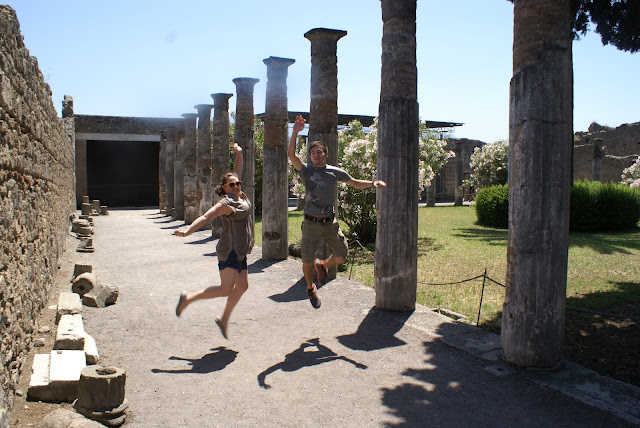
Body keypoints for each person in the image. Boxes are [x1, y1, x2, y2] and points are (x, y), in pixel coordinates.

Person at [288, 115, 386, 309]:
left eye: (319, 152)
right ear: (310, 156)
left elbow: (355, 182)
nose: (316, 155)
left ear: (326, 154)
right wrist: (295, 132)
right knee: (306, 262)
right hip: (310, 224)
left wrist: (373, 184)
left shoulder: (335, 172)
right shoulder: (307, 171)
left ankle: (323, 265)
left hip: (330, 223)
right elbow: (291, 156)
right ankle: (310, 289)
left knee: (341, 256)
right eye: (313, 152)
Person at [173, 143, 253, 339]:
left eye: (238, 183)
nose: (236, 186)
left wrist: (239, 154)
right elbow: (206, 217)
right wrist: (187, 232)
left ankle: (224, 319)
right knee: (226, 289)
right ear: (224, 188)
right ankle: (188, 299)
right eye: (231, 185)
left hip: (241, 250)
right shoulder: (226, 203)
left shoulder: (240, 196)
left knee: (242, 286)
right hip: (230, 250)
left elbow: (237, 171)